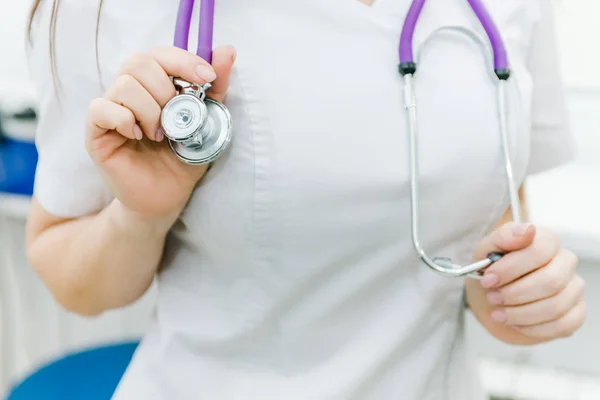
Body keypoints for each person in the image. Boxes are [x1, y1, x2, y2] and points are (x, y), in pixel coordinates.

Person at [25, 0, 586, 399]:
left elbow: (494, 222)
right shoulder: (101, 10)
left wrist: (515, 296)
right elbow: (66, 271)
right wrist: (141, 216)